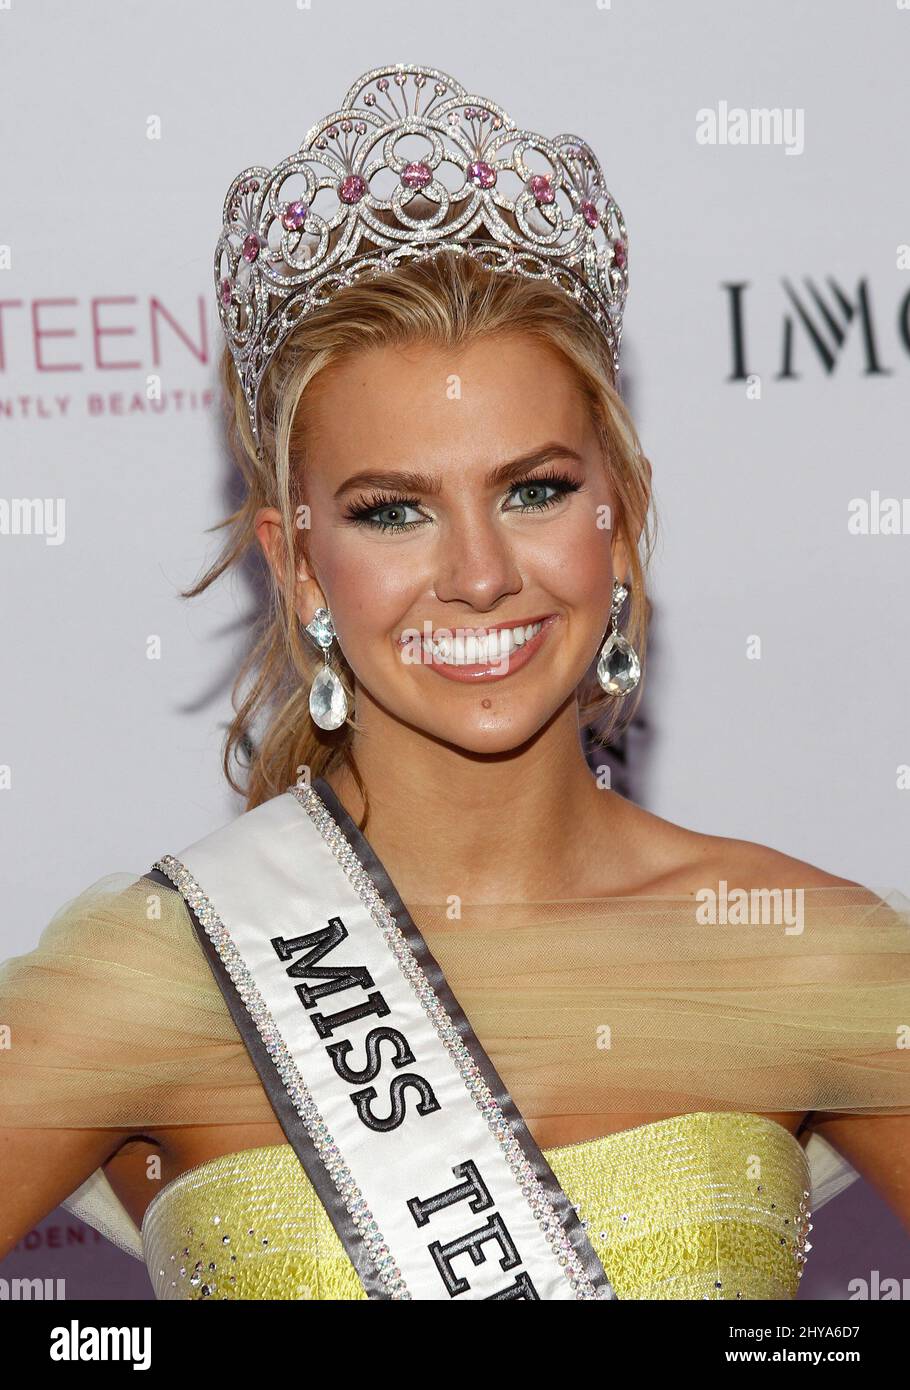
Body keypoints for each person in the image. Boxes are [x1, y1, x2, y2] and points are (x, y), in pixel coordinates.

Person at [1, 61, 909, 1302]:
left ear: (621, 519)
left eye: (534, 490)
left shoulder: (799, 953)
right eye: (392, 512)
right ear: (300, 566)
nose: (479, 576)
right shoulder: (163, 969)